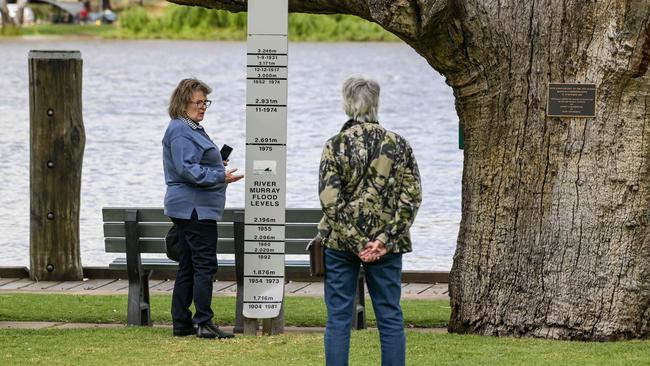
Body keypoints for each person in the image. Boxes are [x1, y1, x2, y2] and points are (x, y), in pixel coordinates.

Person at [318, 76, 422, 365]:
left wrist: (357, 241)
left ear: (347, 103)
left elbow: (330, 201)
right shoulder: (399, 145)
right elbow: (411, 198)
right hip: (386, 247)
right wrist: (382, 241)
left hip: (341, 243)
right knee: (389, 315)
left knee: (339, 317)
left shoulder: (335, 145)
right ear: (375, 102)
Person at [162, 78, 244, 338]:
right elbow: (187, 169)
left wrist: (216, 164)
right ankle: (204, 322)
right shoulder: (180, 130)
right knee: (204, 265)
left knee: (188, 265)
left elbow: (191, 165)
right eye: (198, 102)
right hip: (194, 209)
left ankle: (182, 323)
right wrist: (220, 176)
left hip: (191, 207)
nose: (203, 106)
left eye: (205, 101)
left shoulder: (190, 128)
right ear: (183, 102)